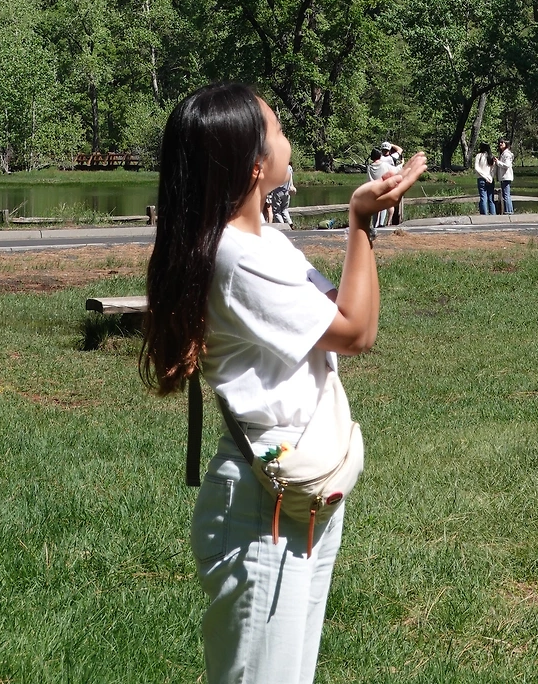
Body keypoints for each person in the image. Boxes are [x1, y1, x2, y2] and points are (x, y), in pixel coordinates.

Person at [142, 83, 426, 684]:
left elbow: (347, 312)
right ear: (254, 165)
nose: (287, 136)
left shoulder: (264, 242)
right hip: (260, 503)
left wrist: (364, 222)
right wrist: (358, 221)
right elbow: (356, 333)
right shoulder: (235, 257)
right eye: (277, 129)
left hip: (298, 487)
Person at [368, 140, 402, 230]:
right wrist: (402, 163)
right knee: (384, 205)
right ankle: (382, 224)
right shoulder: (389, 160)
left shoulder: (369, 166)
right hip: (384, 187)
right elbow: (396, 169)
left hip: (373, 188)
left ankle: (374, 226)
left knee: (375, 208)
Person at [267, 161, 296, 228]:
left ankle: (282, 226)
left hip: (278, 191)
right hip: (286, 191)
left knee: (276, 211)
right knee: (284, 209)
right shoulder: (289, 168)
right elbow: (291, 180)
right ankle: (290, 223)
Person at [495, 138, 514, 216]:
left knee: (506, 195)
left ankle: (509, 211)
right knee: (505, 194)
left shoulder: (507, 154)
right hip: (503, 177)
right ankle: (509, 210)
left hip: (506, 177)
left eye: (502, 143)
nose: (500, 144)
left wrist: (498, 162)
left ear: (506, 144)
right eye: (500, 142)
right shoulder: (503, 154)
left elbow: (507, 165)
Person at [474, 142, 495, 215]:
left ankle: (484, 216)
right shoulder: (491, 157)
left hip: (481, 179)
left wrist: (485, 176)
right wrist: (490, 177)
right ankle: (493, 215)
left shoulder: (479, 155)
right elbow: (493, 169)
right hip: (490, 179)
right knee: (491, 199)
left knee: (483, 198)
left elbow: (476, 168)